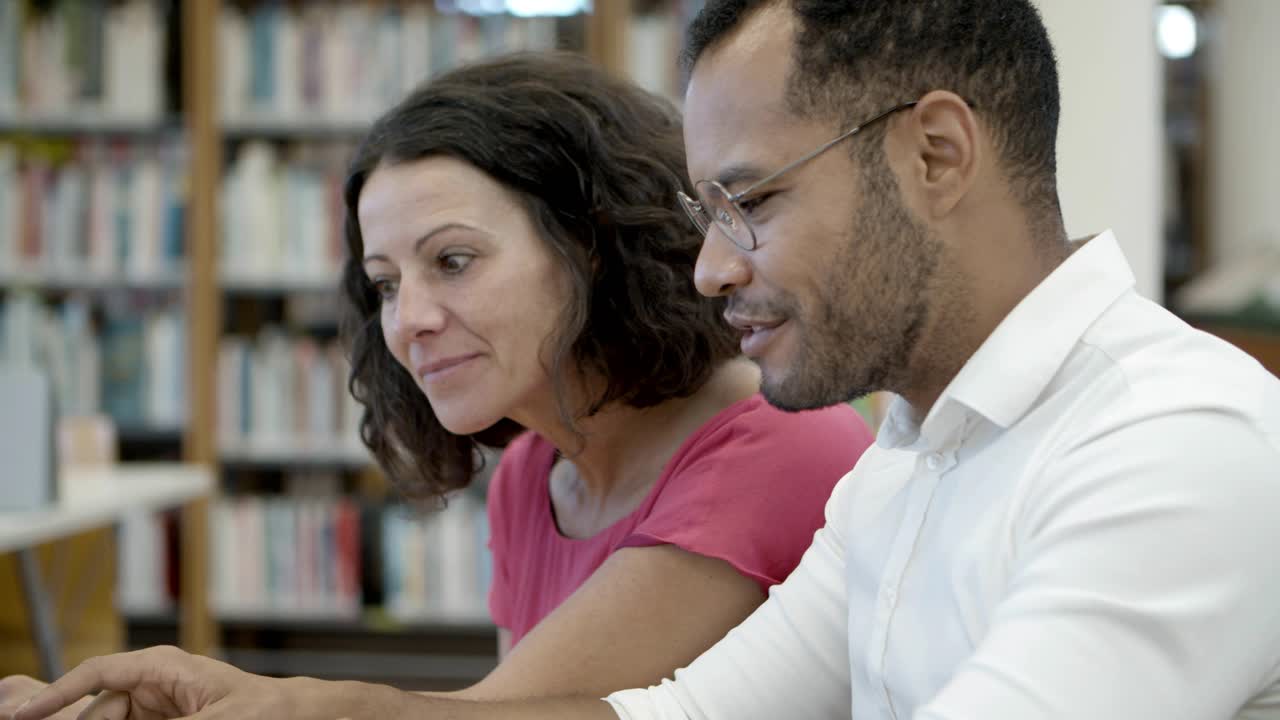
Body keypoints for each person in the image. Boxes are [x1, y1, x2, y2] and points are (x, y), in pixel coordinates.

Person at [10, 0, 1280, 719]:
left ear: (934, 155)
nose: (713, 268)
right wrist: (282, 711)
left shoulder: (1172, 441)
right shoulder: (906, 464)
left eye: (750, 202)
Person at [0, 50, 874, 720]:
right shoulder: (535, 474)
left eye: (452, 261)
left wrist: (276, 701)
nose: (407, 319)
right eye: (383, 284)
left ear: (595, 246)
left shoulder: (780, 442)